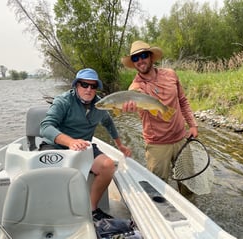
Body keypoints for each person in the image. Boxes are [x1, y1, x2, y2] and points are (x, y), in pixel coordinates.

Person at [39, 68, 132, 221]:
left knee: (108, 165)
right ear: (76, 85)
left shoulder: (100, 105)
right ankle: (53, 211)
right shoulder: (63, 101)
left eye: (93, 86)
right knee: (54, 176)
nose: (89, 89)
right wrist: (70, 142)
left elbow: (109, 123)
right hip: (56, 146)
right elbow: (45, 127)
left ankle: (92, 209)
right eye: (84, 84)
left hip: (84, 147)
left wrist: (120, 146)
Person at [121, 40, 198, 183]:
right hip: (157, 145)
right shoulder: (136, 87)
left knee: (188, 184)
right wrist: (130, 107)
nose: (140, 61)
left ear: (151, 56)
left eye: (143, 55)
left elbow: (183, 101)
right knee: (158, 189)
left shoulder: (171, 75)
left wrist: (193, 125)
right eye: (135, 58)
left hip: (181, 138)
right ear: (133, 63)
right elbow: (134, 98)